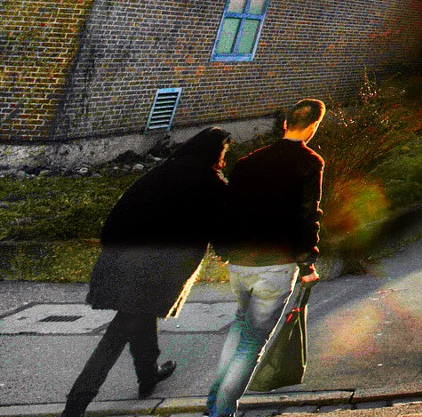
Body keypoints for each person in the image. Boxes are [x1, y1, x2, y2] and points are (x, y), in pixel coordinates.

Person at [63, 128, 233, 417]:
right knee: (118, 333)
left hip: (120, 258)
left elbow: (119, 212)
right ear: (214, 153)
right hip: (156, 268)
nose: (224, 160)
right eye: (223, 154)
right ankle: (76, 403)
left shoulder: (161, 173)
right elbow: (220, 229)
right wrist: (229, 255)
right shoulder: (209, 184)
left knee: (137, 316)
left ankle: (148, 374)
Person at [207, 100, 325, 417]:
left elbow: (226, 210)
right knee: (252, 343)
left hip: (241, 262)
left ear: (284, 123)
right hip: (276, 265)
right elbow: (307, 217)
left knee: (239, 328)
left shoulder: (248, 162)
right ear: (313, 127)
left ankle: (214, 401)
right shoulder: (309, 162)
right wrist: (307, 265)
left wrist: (224, 250)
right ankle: (222, 411)